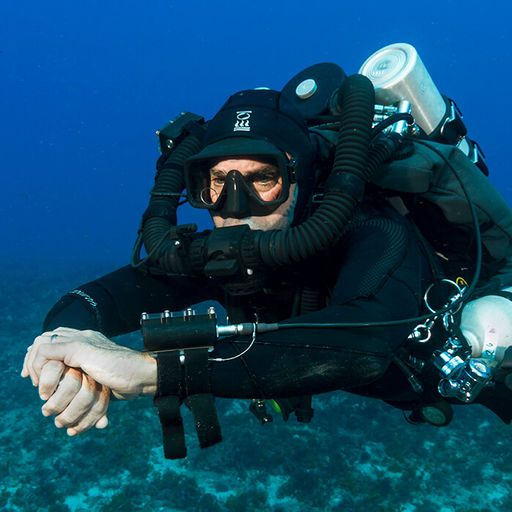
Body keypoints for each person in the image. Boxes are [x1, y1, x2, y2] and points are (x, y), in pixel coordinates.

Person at [21, 74, 512, 459]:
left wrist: (154, 371)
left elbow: (361, 347)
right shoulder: (214, 253)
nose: (234, 206)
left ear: (300, 180)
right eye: (217, 181)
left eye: (263, 179)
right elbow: (101, 298)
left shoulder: (374, 232)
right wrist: (62, 349)